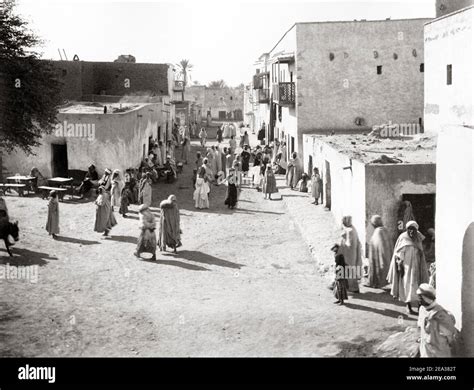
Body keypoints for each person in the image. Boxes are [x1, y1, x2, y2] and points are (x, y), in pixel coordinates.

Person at [387, 220, 429, 315]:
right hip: (406, 267)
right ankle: (408, 306)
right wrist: (399, 265)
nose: (411, 232)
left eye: (413, 229)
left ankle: (420, 306)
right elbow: (399, 254)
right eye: (409, 229)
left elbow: (421, 251)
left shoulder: (418, 237)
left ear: (416, 230)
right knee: (407, 285)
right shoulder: (403, 238)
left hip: (417, 266)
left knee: (418, 286)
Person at [417, 284, 459, 357]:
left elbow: (450, 337)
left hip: (439, 352)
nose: (418, 300)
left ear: (428, 298)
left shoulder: (441, 316)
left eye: (421, 298)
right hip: (425, 351)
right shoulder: (422, 310)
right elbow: (421, 327)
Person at [366, 215, 393, 288]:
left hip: (380, 257)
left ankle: (377, 283)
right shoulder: (385, 230)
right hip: (386, 256)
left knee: (379, 269)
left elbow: (376, 244)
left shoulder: (378, 232)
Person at [339, 216, 362, 293]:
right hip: (354, 253)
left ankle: (351, 287)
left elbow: (348, 244)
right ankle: (353, 287)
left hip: (349, 254)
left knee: (348, 270)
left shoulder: (349, 231)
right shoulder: (353, 228)